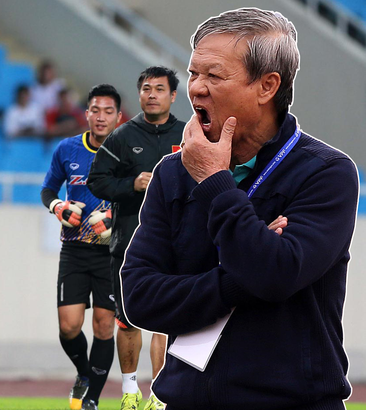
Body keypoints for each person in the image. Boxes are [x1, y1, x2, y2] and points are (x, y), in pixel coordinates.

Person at [120, 8, 359, 409]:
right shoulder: (172, 173)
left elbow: (275, 275)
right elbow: (140, 297)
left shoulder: (326, 173)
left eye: (213, 76)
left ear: (267, 86)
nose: (196, 88)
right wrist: (236, 281)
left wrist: (215, 182)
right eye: (193, 73)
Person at [88, 66, 184, 410]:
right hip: (128, 244)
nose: (152, 94)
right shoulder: (122, 136)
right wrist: (132, 184)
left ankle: (159, 394)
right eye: (146, 88)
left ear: (173, 95)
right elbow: (96, 181)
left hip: (175, 245)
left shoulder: (189, 135)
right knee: (127, 321)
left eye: (159, 89)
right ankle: (130, 392)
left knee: (166, 323)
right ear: (140, 94)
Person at [41, 84, 123, 410]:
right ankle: (84, 373)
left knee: (104, 326)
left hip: (111, 253)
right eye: (95, 110)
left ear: (118, 116)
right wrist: (58, 207)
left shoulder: (128, 150)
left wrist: (113, 217)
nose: (101, 117)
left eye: (108, 111)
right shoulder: (67, 149)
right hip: (74, 250)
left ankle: (92, 400)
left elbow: (141, 196)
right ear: (86, 113)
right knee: (68, 326)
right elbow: (48, 190)